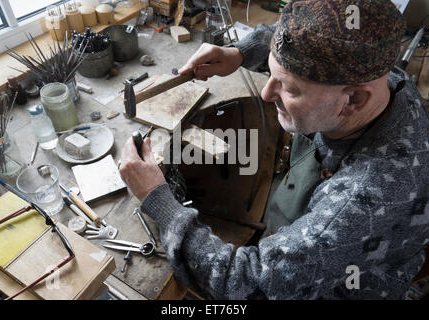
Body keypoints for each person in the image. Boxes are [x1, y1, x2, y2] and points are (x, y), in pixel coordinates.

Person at [119, 0, 428, 299]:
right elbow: (302, 33)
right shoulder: (377, 70)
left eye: (290, 88)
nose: (267, 94)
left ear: (354, 100)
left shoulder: (364, 198)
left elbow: (244, 285)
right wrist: (241, 52)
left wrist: (158, 200)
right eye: (272, 74)